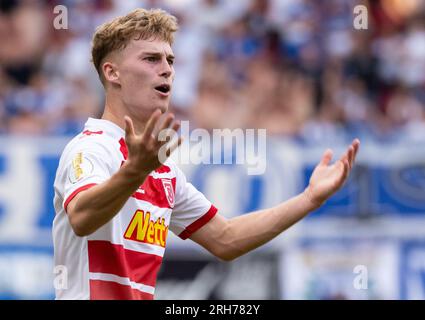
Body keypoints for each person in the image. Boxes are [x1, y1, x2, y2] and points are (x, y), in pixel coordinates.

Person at [52, 8, 360, 300]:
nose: (167, 70)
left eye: (170, 61)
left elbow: (225, 239)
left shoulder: (163, 171)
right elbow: (81, 217)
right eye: (151, 59)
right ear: (112, 72)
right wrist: (134, 172)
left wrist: (309, 198)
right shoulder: (90, 147)